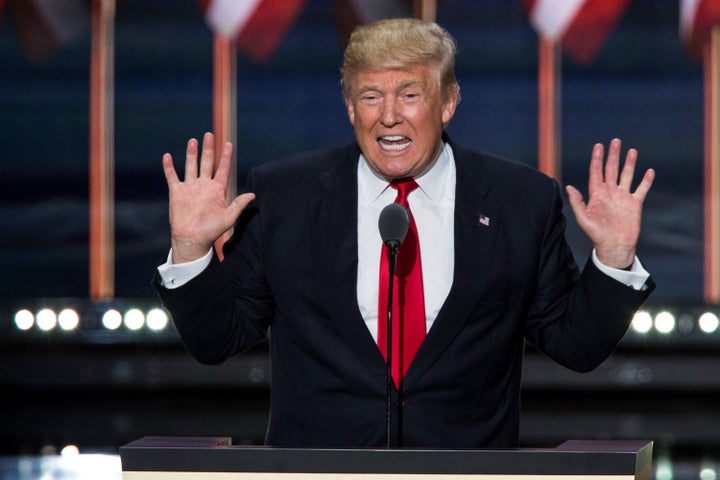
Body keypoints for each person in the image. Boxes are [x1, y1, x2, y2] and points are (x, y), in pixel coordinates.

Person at [153, 18, 655, 448]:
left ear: (448, 103)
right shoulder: (285, 195)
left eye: (410, 94)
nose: (388, 115)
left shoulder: (519, 199)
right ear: (351, 108)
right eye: (371, 96)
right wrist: (192, 250)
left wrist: (612, 258)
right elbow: (219, 341)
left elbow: (576, 346)